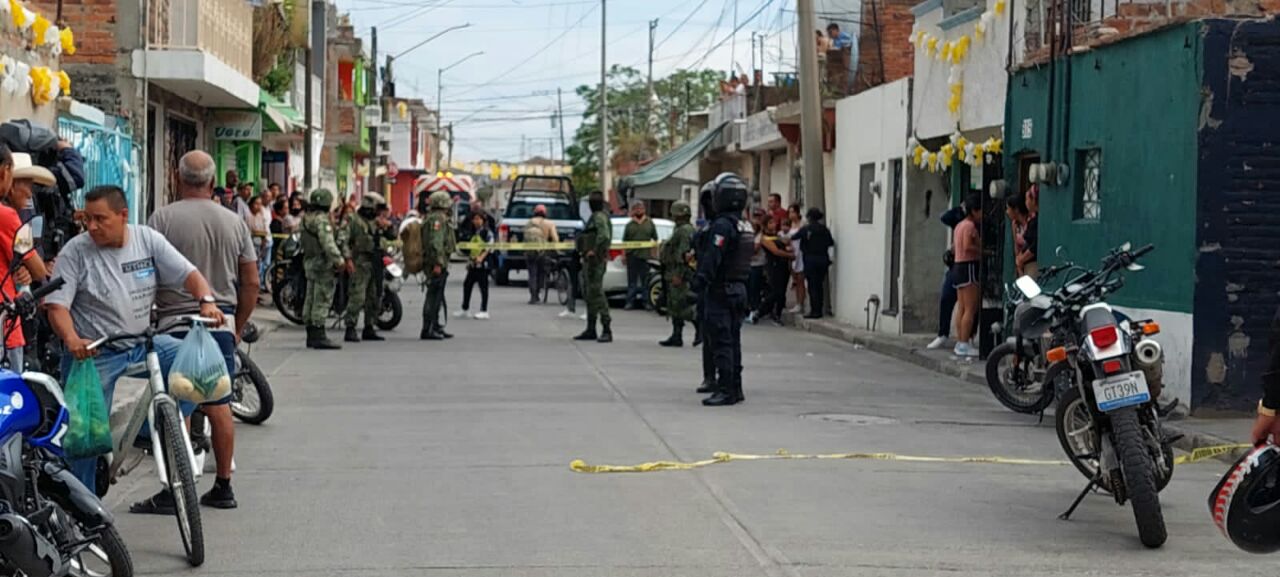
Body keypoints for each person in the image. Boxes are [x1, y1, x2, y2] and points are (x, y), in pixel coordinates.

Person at [46, 185, 226, 492]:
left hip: (144, 343)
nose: (92, 226)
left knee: (199, 371)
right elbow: (56, 306)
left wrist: (206, 300)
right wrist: (72, 338)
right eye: (87, 219)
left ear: (123, 215)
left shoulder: (147, 239)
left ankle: (149, 427)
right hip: (94, 353)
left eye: (100, 218)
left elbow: (189, 274)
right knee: (84, 438)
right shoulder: (75, 252)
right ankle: (85, 515)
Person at [147, 150, 258, 511]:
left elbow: (147, 274)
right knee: (218, 404)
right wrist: (236, 326)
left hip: (173, 323)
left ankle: (172, 489)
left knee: (176, 405)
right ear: (212, 183)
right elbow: (251, 282)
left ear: (178, 180)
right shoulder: (234, 222)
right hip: (219, 322)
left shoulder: (161, 219)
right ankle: (223, 485)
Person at [693, 173, 752, 407]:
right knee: (733, 341)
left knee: (721, 342)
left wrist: (698, 284)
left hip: (721, 290)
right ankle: (735, 388)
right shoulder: (743, 224)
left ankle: (726, 389)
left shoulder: (722, 226)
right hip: (739, 288)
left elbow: (712, 259)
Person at [0, 150, 51, 370]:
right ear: (6, 173)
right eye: (26, 185)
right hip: (4, 327)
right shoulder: (7, 217)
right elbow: (39, 270)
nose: (30, 193)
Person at [300, 188, 344, 349]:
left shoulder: (306, 219)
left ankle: (311, 334)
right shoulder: (322, 220)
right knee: (322, 298)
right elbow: (328, 243)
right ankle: (319, 334)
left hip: (309, 263)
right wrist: (339, 260)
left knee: (310, 298)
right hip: (322, 264)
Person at [342, 193, 388, 343]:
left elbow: (387, 238)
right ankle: (350, 327)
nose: (379, 212)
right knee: (358, 296)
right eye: (377, 208)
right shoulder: (352, 220)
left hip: (375, 261)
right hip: (359, 261)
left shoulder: (375, 222)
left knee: (374, 295)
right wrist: (348, 259)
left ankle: (370, 326)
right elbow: (343, 240)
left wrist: (385, 228)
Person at [574, 191, 612, 343]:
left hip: (595, 261)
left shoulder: (599, 217)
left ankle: (606, 328)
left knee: (597, 294)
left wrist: (594, 250)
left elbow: (604, 236)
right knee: (590, 294)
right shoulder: (596, 217)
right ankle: (591, 328)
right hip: (590, 261)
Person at [928, 200, 967, 350]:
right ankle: (943, 333)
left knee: (967, 306)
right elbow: (944, 217)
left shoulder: (973, 225)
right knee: (946, 297)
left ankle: (965, 339)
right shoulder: (959, 221)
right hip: (955, 265)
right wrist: (961, 210)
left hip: (967, 265)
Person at [658, 200, 695, 347]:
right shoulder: (680, 229)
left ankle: (698, 327)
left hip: (679, 272)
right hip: (672, 270)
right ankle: (676, 334)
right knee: (674, 304)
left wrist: (678, 274)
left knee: (681, 305)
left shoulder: (684, 230)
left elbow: (682, 254)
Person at [421, 191, 456, 340]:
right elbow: (436, 243)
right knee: (433, 296)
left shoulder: (436, 218)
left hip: (439, 261)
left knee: (438, 296)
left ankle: (435, 326)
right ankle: (427, 329)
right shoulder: (437, 219)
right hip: (435, 262)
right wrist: (438, 263)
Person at [951, 195, 983, 357]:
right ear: (974, 211)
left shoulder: (959, 226)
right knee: (970, 308)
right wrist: (982, 251)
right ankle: (964, 342)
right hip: (968, 266)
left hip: (958, 266)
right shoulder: (970, 226)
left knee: (962, 307)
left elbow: (956, 248)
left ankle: (960, 341)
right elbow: (967, 245)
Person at [796, 207, 835, 319]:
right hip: (822, 259)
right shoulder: (824, 229)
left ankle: (815, 310)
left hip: (810, 259)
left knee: (812, 286)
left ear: (809, 217)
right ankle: (820, 309)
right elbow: (830, 243)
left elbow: (794, 237)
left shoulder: (806, 229)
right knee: (819, 285)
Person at [458, 210, 493, 319]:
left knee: (483, 287)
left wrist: (481, 258)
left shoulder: (487, 232)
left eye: (479, 219)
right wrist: (470, 262)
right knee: (467, 285)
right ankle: (465, 309)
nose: (476, 221)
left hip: (483, 265)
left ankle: (484, 310)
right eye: (474, 219)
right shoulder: (473, 232)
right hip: (473, 264)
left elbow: (489, 246)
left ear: (483, 220)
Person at [758, 217, 794, 325]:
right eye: (771, 223)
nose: (773, 224)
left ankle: (777, 313)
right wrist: (790, 255)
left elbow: (785, 244)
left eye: (774, 222)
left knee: (782, 291)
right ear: (765, 225)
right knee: (775, 291)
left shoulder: (777, 236)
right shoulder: (764, 238)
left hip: (783, 265)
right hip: (773, 265)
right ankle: (760, 311)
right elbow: (775, 251)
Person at [623, 201, 657, 310]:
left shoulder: (649, 223)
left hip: (645, 257)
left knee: (645, 281)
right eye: (636, 208)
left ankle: (646, 302)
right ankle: (630, 302)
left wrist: (653, 253)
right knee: (632, 282)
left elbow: (655, 239)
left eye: (641, 208)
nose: (639, 210)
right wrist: (624, 255)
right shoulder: (629, 225)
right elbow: (624, 242)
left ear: (644, 210)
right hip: (632, 256)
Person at [524, 204, 559, 304]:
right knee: (541, 273)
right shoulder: (549, 223)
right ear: (545, 213)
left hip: (530, 251)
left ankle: (533, 295)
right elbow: (555, 239)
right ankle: (538, 292)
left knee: (532, 273)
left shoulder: (529, 223)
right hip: (543, 252)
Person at [746, 209, 766, 323]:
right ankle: (749, 310)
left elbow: (755, 249)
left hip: (757, 264)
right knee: (749, 289)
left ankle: (755, 311)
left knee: (754, 289)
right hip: (749, 264)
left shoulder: (760, 236)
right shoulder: (749, 236)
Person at [245, 195, 270, 283]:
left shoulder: (261, 216)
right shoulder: (247, 216)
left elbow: (264, 231)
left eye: (260, 204)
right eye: (256, 204)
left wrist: (264, 241)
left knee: (260, 265)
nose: (258, 206)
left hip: (259, 244)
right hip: (250, 244)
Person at [786, 204, 806, 314]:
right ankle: (797, 301)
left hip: (801, 253)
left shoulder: (803, 224)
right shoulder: (790, 224)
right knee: (796, 280)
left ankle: (801, 303)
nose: (791, 215)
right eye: (789, 212)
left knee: (801, 279)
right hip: (792, 253)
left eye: (793, 212)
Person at [1023, 185, 1040, 278]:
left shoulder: (1037, 222)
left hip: (1033, 265)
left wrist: (1022, 258)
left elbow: (1034, 245)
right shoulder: (1033, 219)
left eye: (1027, 199)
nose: (1026, 203)